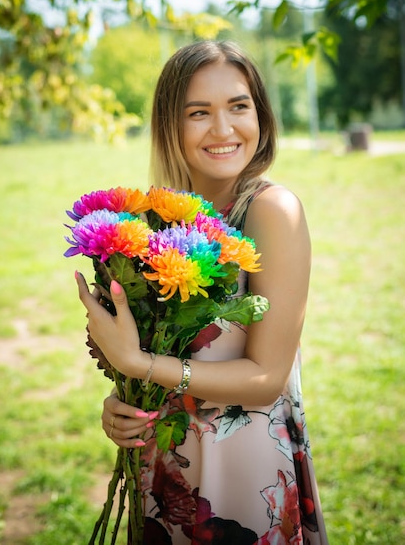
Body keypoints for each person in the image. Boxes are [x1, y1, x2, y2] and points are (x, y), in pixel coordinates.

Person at [76, 40, 329, 544]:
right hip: (166, 465)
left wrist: (138, 366)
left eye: (239, 106)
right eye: (199, 112)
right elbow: (154, 350)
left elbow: (266, 377)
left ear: (261, 114)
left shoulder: (271, 210)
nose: (223, 129)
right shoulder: (152, 227)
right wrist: (125, 406)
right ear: (170, 124)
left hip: (242, 474)